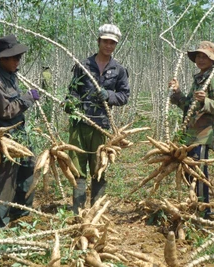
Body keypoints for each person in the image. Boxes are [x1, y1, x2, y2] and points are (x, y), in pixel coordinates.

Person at [66, 24, 130, 214]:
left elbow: (124, 96)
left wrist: (109, 95)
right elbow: (72, 91)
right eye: (105, 41)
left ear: (115, 45)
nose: (108, 45)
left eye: (112, 43)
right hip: (80, 124)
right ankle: (77, 210)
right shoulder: (83, 66)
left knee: (99, 169)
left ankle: (96, 210)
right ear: (99, 41)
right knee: (77, 169)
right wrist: (71, 103)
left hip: (102, 126)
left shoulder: (119, 70)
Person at [0, 34, 40, 231]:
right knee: (5, 179)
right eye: (14, 57)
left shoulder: (11, 76)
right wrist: (28, 98)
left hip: (22, 133)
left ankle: (21, 214)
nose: (18, 61)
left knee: (27, 171)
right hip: (7, 139)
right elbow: (6, 111)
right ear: (3, 58)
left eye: (19, 57)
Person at [168, 41, 214, 217]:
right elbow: (188, 106)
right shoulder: (198, 79)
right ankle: (194, 204)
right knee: (189, 172)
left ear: (213, 60)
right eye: (199, 56)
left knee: (199, 173)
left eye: (205, 57)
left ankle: (203, 210)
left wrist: (204, 101)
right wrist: (177, 93)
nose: (201, 59)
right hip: (190, 134)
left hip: (202, 135)